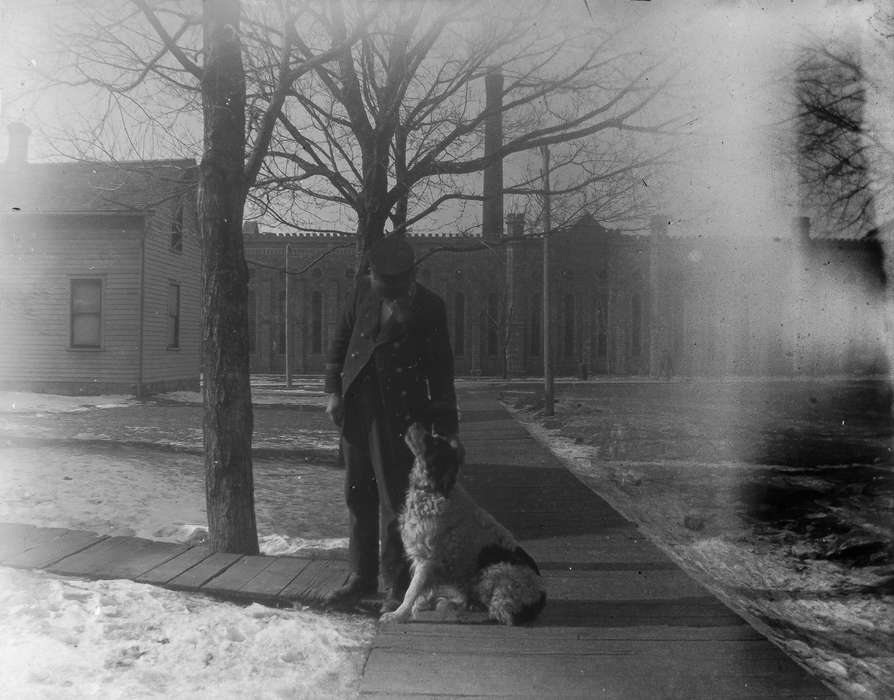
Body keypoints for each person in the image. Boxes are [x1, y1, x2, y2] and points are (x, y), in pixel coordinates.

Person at [323, 234, 462, 612]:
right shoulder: (361, 292)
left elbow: (441, 370)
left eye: (393, 290)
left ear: (410, 277)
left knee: (393, 502)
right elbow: (338, 345)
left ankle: (395, 585)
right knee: (357, 495)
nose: (386, 296)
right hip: (356, 411)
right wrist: (333, 392)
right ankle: (360, 576)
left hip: (399, 420)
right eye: (381, 287)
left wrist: (446, 426)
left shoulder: (431, 307)